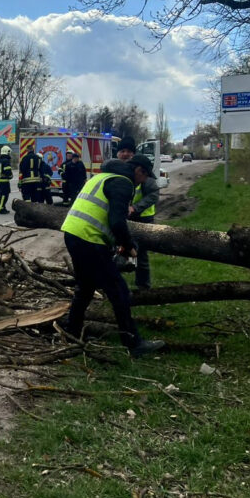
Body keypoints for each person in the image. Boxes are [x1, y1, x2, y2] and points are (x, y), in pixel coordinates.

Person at [59, 155, 164, 357]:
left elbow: (104, 215)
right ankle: (133, 343)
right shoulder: (123, 182)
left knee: (86, 287)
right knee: (119, 290)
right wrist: (129, 246)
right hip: (89, 239)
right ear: (139, 170)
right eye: (144, 177)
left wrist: (116, 245)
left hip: (73, 234)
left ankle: (72, 331)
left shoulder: (103, 176)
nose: (143, 182)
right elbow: (117, 222)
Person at [128, 153, 159, 290]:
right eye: (122, 151)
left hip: (144, 218)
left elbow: (153, 196)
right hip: (130, 216)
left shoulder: (148, 180)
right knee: (126, 247)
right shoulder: (126, 175)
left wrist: (135, 208)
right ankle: (128, 269)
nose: (125, 154)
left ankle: (143, 285)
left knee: (141, 252)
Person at [0, 145, 12, 214]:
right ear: (7, 152)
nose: (9, 154)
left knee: (1, 195)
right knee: (4, 196)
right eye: (9, 153)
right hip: (4, 181)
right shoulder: (6, 161)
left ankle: (3, 208)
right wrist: (10, 176)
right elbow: (8, 172)